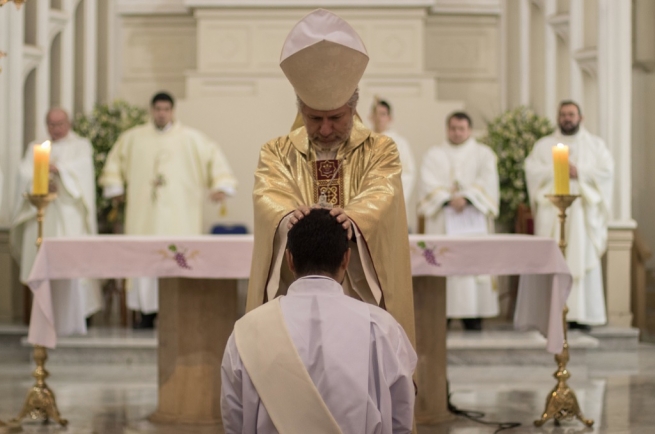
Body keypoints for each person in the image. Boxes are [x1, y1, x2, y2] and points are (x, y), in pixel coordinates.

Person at [246, 9, 416, 345]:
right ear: (301, 110)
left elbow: (383, 195)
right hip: (295, 287)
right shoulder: (277, 151)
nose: (325, 129)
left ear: (354, 108)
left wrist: (353, 218)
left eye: (336, 118)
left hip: (357, 292)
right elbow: (268, 195)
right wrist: (285, 217)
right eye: (314, 118)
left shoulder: (380, 149)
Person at [222, 209, 417, 433]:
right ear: (346, 258)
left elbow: (234, 420)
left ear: (289, 260)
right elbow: (401, 419)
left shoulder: (247, 331)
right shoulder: (382, 328)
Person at [99, 92, 237, 328]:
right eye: (157, 109)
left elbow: (215, 161)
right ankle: (145, 315)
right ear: (151, 111)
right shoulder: (133, 138)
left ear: (172, 111)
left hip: (180, 216)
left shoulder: (192, 139)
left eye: (166, 109)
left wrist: (220, 186)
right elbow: (114, 164)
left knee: (178, 259)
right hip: (144, 218)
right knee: (144, 261)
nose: (161, 113)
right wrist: (115, 188)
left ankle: (178, 314)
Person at [11, 107, 102, 335]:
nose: (56, 129)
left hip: (68, 216)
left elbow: (82, 174)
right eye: (51, 124)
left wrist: (60, 172)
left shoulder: (80, 146)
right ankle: (42, 312)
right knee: (41, 259)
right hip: (44, 214)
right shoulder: (37, 146)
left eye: (60, 124)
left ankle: (80, 314)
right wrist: (39, 181)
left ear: (69, 123)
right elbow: (23, 175)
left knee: (74, 263)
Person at [524, 101, 613, 330]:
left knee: (580, 257)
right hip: (552, 211)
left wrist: (579, 172)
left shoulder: (595, 145)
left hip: (582, 214)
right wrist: (558, 167)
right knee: (555, 258)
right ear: (558, 117)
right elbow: (532, 171)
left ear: (580, 117)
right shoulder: (544, 146)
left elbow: (606, 173)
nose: (567, 118)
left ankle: (583, 315)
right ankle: (553, 314)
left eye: (571, 114)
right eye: (563, 114)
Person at [418, 112, 500, 331]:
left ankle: (474, 318)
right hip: (443, 223)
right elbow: (427, 182)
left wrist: (467, 197)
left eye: (461, 129)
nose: (457, 132)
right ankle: (441, 316)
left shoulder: (484, 154)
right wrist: (447, 198)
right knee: (445, 265)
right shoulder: (434, 154)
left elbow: (488, 181)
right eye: (453, 128)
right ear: (447, 129)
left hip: (473, 224)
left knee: (472, 269)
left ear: (469, 130)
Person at [370, 98, 416, 205]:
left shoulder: (400, 143)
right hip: (369, 197)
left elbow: (408, 172)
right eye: (375, 114)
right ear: (371, 117)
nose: (379, 118)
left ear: (389, 118)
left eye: (383, 114)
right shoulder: (364, 141)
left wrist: (391, 192)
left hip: (391, 196)